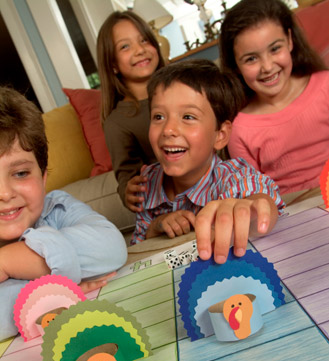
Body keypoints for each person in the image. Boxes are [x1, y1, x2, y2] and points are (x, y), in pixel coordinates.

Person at [0, 86, 128, 341]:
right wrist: (54, 290)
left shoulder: (56, 207)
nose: (4, 193)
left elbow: (111, 247)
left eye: (20, 173)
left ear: (44, 176)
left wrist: (7, 261)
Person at [131, 59, 284, 264]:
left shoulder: (233, 177)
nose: (168, 129)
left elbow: (263, 200)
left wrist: (251, 207)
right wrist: (157, 227)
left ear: (220, 135)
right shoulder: (147, 181)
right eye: (158, 116)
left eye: (188, 116)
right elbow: (138, 252)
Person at [219, 0, 329, 195]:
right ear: (235, 64)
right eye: (251, 59)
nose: (267, 67)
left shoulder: (325, 86)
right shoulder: (239, 129)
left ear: (289, 39)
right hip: (289, 214)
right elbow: (256, 195)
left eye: (275, 49)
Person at [97, 11, 165, 212]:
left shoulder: (185, 88)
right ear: (113, 64)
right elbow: (126, 176)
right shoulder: (117, 122)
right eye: (125, 46)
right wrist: (128, 190)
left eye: (144, 40)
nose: (140, 50)